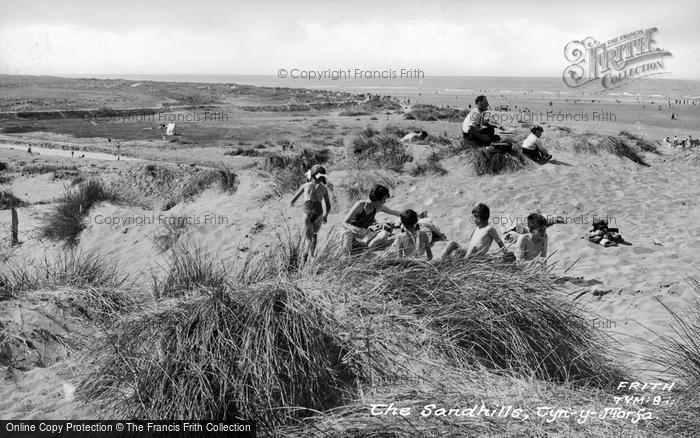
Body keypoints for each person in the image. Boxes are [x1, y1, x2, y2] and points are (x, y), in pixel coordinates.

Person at [342, 184, 401, 254]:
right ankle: (351, 254)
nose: (385, 201)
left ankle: (367, 248)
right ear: (377, 198)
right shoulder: (360, 205)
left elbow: (394, 212)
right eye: (384, 199)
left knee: (384, 234)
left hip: (364, 233)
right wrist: (352, 230)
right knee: (347, 237)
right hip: (351, 231)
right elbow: (344, 222)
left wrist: (412, 215)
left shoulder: (378, 207)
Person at [290, 165, 331, 260]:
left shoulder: (305, 186)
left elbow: (292, 201)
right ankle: (312, 257)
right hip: (319, 211)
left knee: (308, 239)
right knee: (314, 236)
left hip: (308, 210)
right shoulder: (324, 189)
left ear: (311, 175)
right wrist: (326, 216)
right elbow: (328, 206)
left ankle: (304, 259)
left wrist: (298, 207)